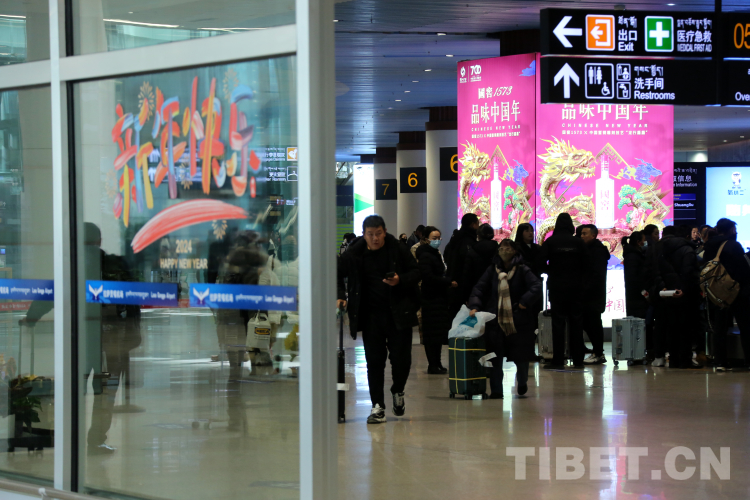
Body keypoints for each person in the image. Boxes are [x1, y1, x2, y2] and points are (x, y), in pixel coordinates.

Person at [337, 215, 420, 424]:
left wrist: (400, 280)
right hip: (370, 316)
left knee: (401, 360)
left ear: (385, 232)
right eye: (370, 234)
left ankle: (398, 390)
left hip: (398, 314)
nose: (375, 238)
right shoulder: (354, 253)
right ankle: (377, 406)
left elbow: (417, 272)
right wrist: (340, 295)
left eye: (378, 234)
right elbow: (336, 272)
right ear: (364, 234)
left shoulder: (398, 249)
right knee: (374, 362)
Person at [468, 239, 542, 398]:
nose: (505, 251)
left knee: (521, 357)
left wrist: (524, 302)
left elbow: (536, 286)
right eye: (502, 248)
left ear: (515, 251)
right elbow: (479, 288)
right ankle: (496, 391)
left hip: (518, 320)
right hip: (496, 319)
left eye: (508, 248)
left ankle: (522, 381)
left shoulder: (522, 269)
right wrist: (475, 305)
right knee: (495, 357)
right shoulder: (492, 269)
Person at [538, 213, 587, 369]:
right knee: (576, 322)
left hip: (557, 286)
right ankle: (578, 360)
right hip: (576, 287)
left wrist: (551, 271)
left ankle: (558, 360)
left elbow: (539, 262)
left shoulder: (551, 242)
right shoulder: (578, 242)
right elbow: (588, 264)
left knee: (558, 323)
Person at [702, 218, 750, 371]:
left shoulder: (709, 245)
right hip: (736, 291)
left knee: (719, 327)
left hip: (716, 291)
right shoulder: (734, 245)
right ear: (730, 230)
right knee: (745, 326)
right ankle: (748, 360)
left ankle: (720, 362)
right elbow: (743, 269)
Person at [651, 225, 700, 368]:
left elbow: (656, 271)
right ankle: (685, 359)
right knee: (686, 328)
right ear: (687, 236)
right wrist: (684, 289)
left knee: (671, 327)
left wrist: (663, 287)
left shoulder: (661, 248)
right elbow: (689, 271)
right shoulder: (687, 249)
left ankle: (673, 359)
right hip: (684, 295)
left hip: (667, 294)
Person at [415, 226, 456, 374]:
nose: (437, 241)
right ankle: (433, 364)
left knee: (437, 333)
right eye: (434, 238)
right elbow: (429, 277)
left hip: (438, 298)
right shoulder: (426, 255)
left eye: (439, 238)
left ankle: (437, 363)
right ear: (426, 239)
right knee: (432, 334)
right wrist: (447, 282)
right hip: (431, 298)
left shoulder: (434, 253)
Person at [580, 224, 610, 364]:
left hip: (593, 295)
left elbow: (596, 275)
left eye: (584, 234)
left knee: (593, 324)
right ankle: (597, 351)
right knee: (589, 323)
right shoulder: (590, 249)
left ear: (593, 235)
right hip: (590, 294)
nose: (582, 236)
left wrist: (585, 288)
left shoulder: (597, 251)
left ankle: (598, 353)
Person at [445, 213, 480, 316]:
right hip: (464, 286)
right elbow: (469, 267)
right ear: (473, 224)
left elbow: (446, 256)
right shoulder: (469, 242)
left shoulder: (454, 239)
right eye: (478, 224)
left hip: (452, 283)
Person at [461, 223, 499, 298]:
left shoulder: (472, 250)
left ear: (478, 235)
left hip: (476, 288)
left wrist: (466, 295)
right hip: (494, 287)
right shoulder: (498, 249)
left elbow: (467, 274)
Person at [621, 231, 649, 319]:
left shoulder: (636, 254)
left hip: (636, 295)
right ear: (638, 242)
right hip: (636, 296)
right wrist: (643, 292)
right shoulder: (633, 256)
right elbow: (633, 278)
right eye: (644, 240)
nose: (645, 242)